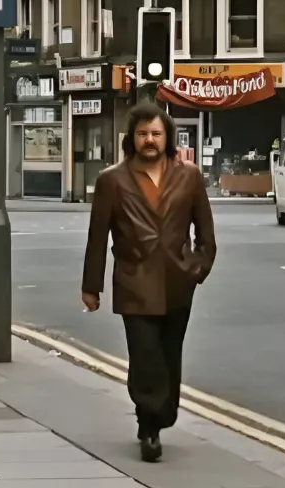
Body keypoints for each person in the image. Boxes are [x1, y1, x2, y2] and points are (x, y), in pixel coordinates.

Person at [82, 102, 217, 463]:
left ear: (168, 137)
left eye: (156, 133)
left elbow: (205, 231)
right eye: (143, 134)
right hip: (134, 282)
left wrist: (198, 268)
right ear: (132, 138)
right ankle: (148, 427)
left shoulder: (188, 175)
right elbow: (97, 238)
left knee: (169, 354)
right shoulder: (112, 179)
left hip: (177, 282)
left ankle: (162, 413)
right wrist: (91, 286)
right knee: (145, 355)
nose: (150, 140)